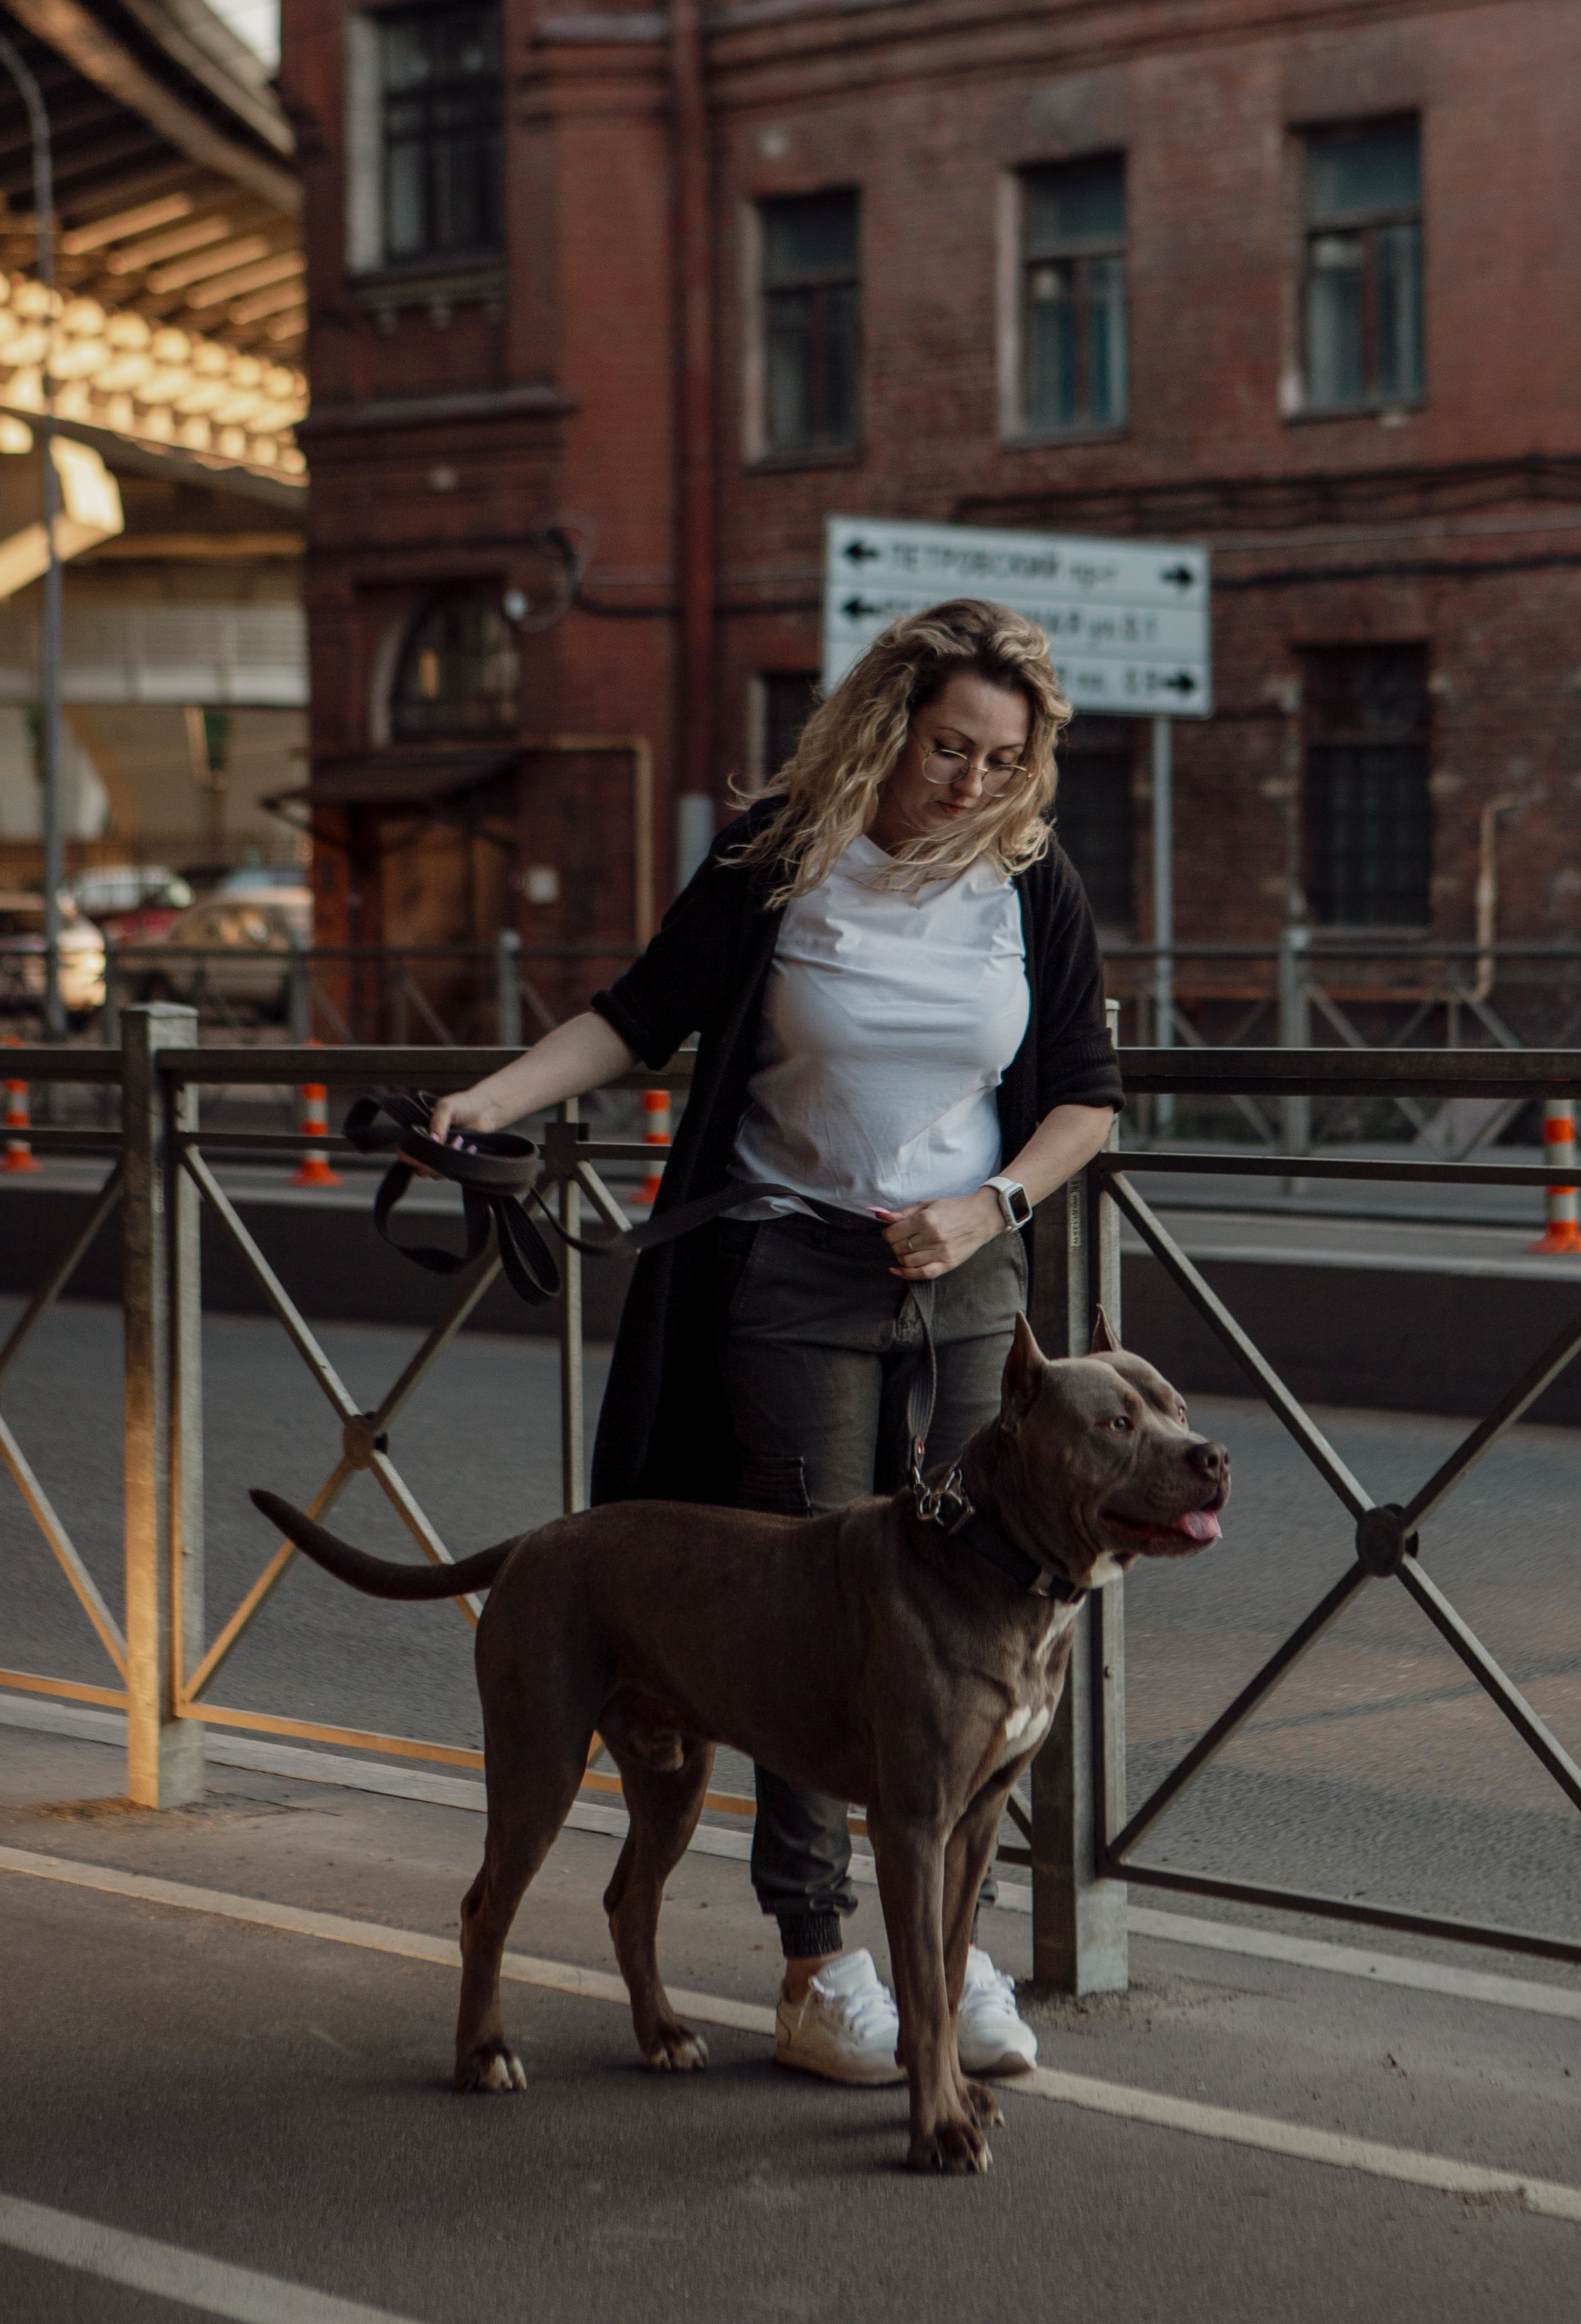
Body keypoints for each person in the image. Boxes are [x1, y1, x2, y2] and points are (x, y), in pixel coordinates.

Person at [431, 598, 1120, 2089]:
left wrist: (986, 1201)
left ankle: (948, 1948)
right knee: (819, 1607)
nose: (972, 784)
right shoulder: (778, 858)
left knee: (979, 1614)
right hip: (789, 1279)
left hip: (970, 1296)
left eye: (1004, 760)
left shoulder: (1027, 875)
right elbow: (636, 1015)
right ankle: (819, 1962)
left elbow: (1085, 1096)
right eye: (949, 745)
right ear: (886, 720)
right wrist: (494, 1101)